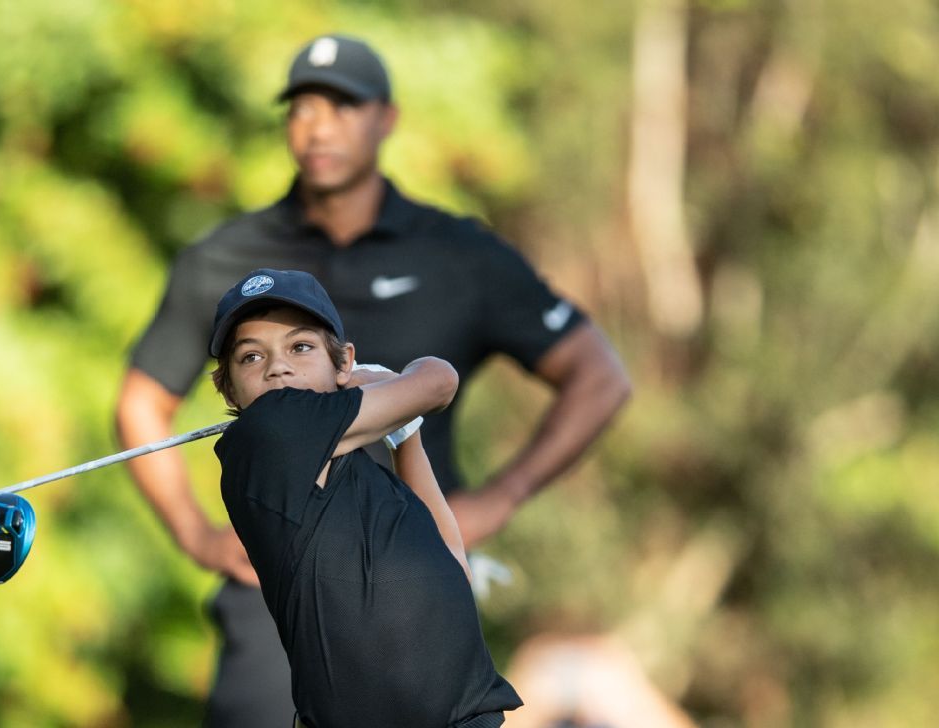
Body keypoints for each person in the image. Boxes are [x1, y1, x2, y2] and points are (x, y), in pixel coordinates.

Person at [116, 33, 631, 727]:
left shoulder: (458, 250)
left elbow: (598, 375)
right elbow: (142, 400)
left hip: (411, 568)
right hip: (275, 591)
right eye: (302, 107)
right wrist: (196, 535)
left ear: (386, 118)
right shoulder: (225, 257)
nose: (319, 125)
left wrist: (500, 498)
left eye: (343, 105)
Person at [208, 267, 523, 727]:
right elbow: (439, 380)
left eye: (300, 347)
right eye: (251, 357)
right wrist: (387, 381)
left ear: (341, 361)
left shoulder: (367, 478)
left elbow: (450, 562)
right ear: (228, 389)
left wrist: (404, 435)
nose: (278, 366)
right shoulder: (267, 434)